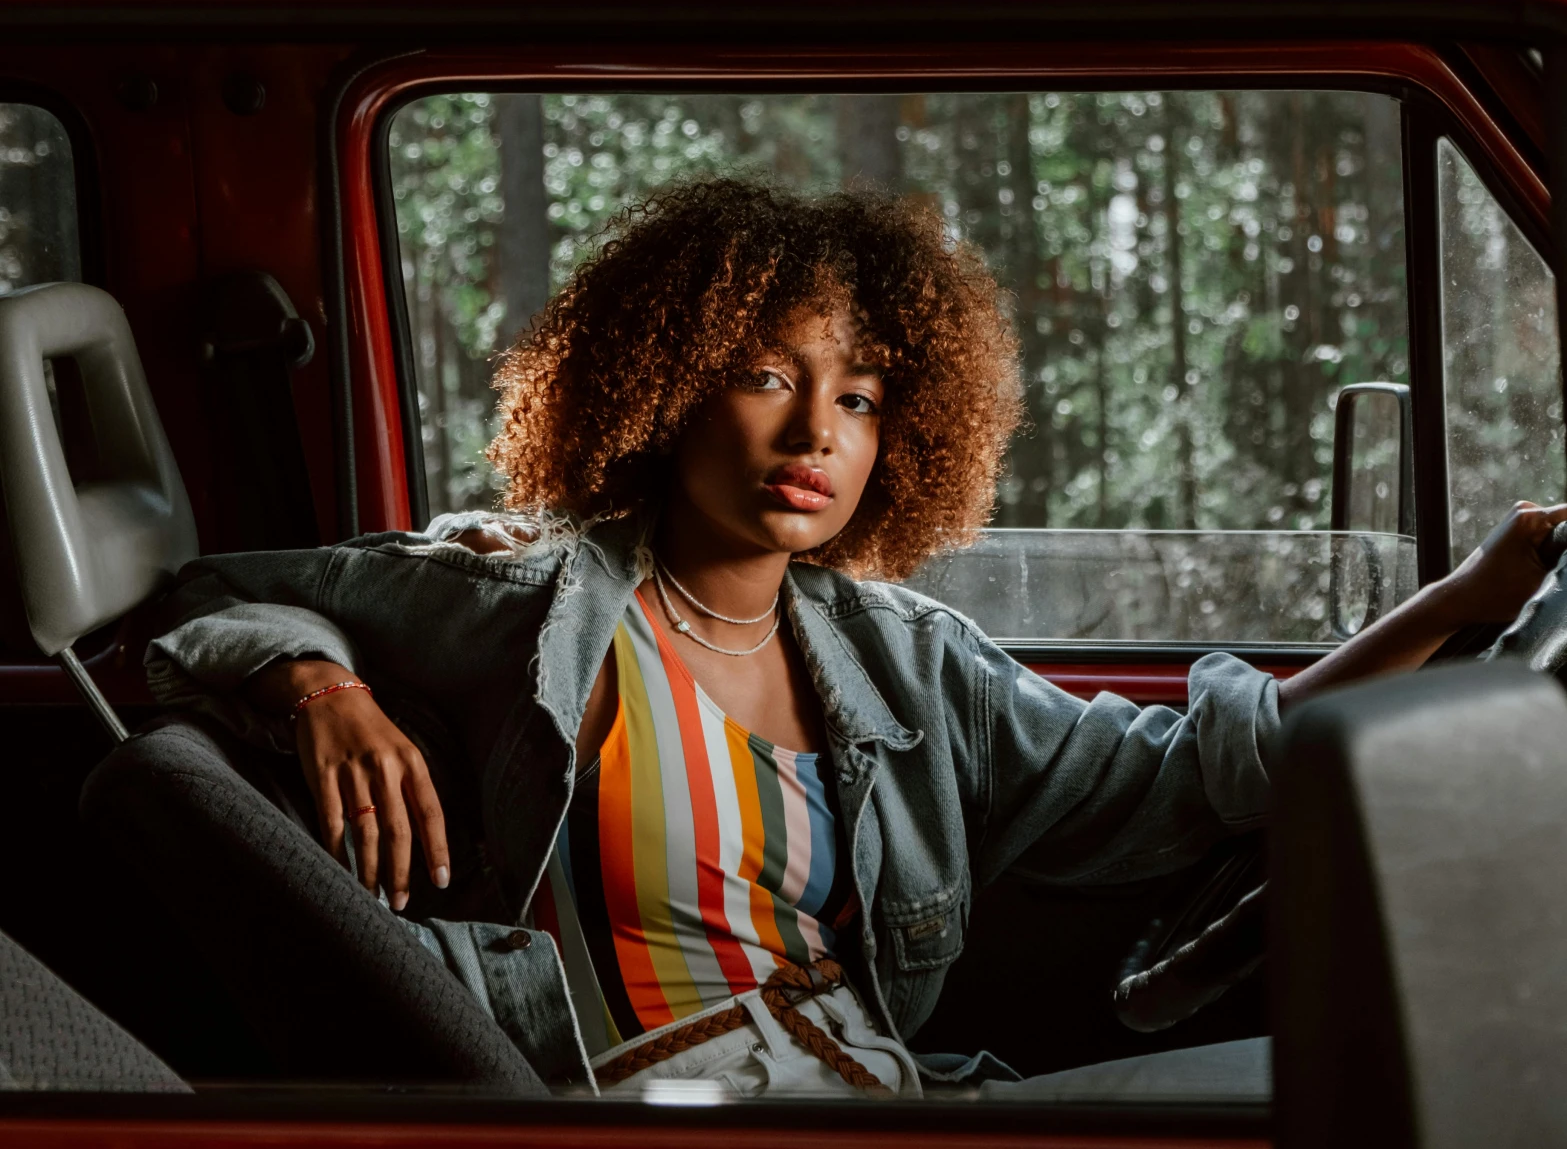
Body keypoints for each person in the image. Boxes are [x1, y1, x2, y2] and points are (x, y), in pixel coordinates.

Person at [133, 177, 1566, 1097]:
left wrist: (1472, 596)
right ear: (664, 389)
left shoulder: (894, 651)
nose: (818, 430)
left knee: (1329, 1095)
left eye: (864, 395)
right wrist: (318, 682)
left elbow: (1202, 773)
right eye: (766, 376)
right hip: (686, 1146)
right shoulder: (528, 599)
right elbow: (202, 593)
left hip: (882, 1102)